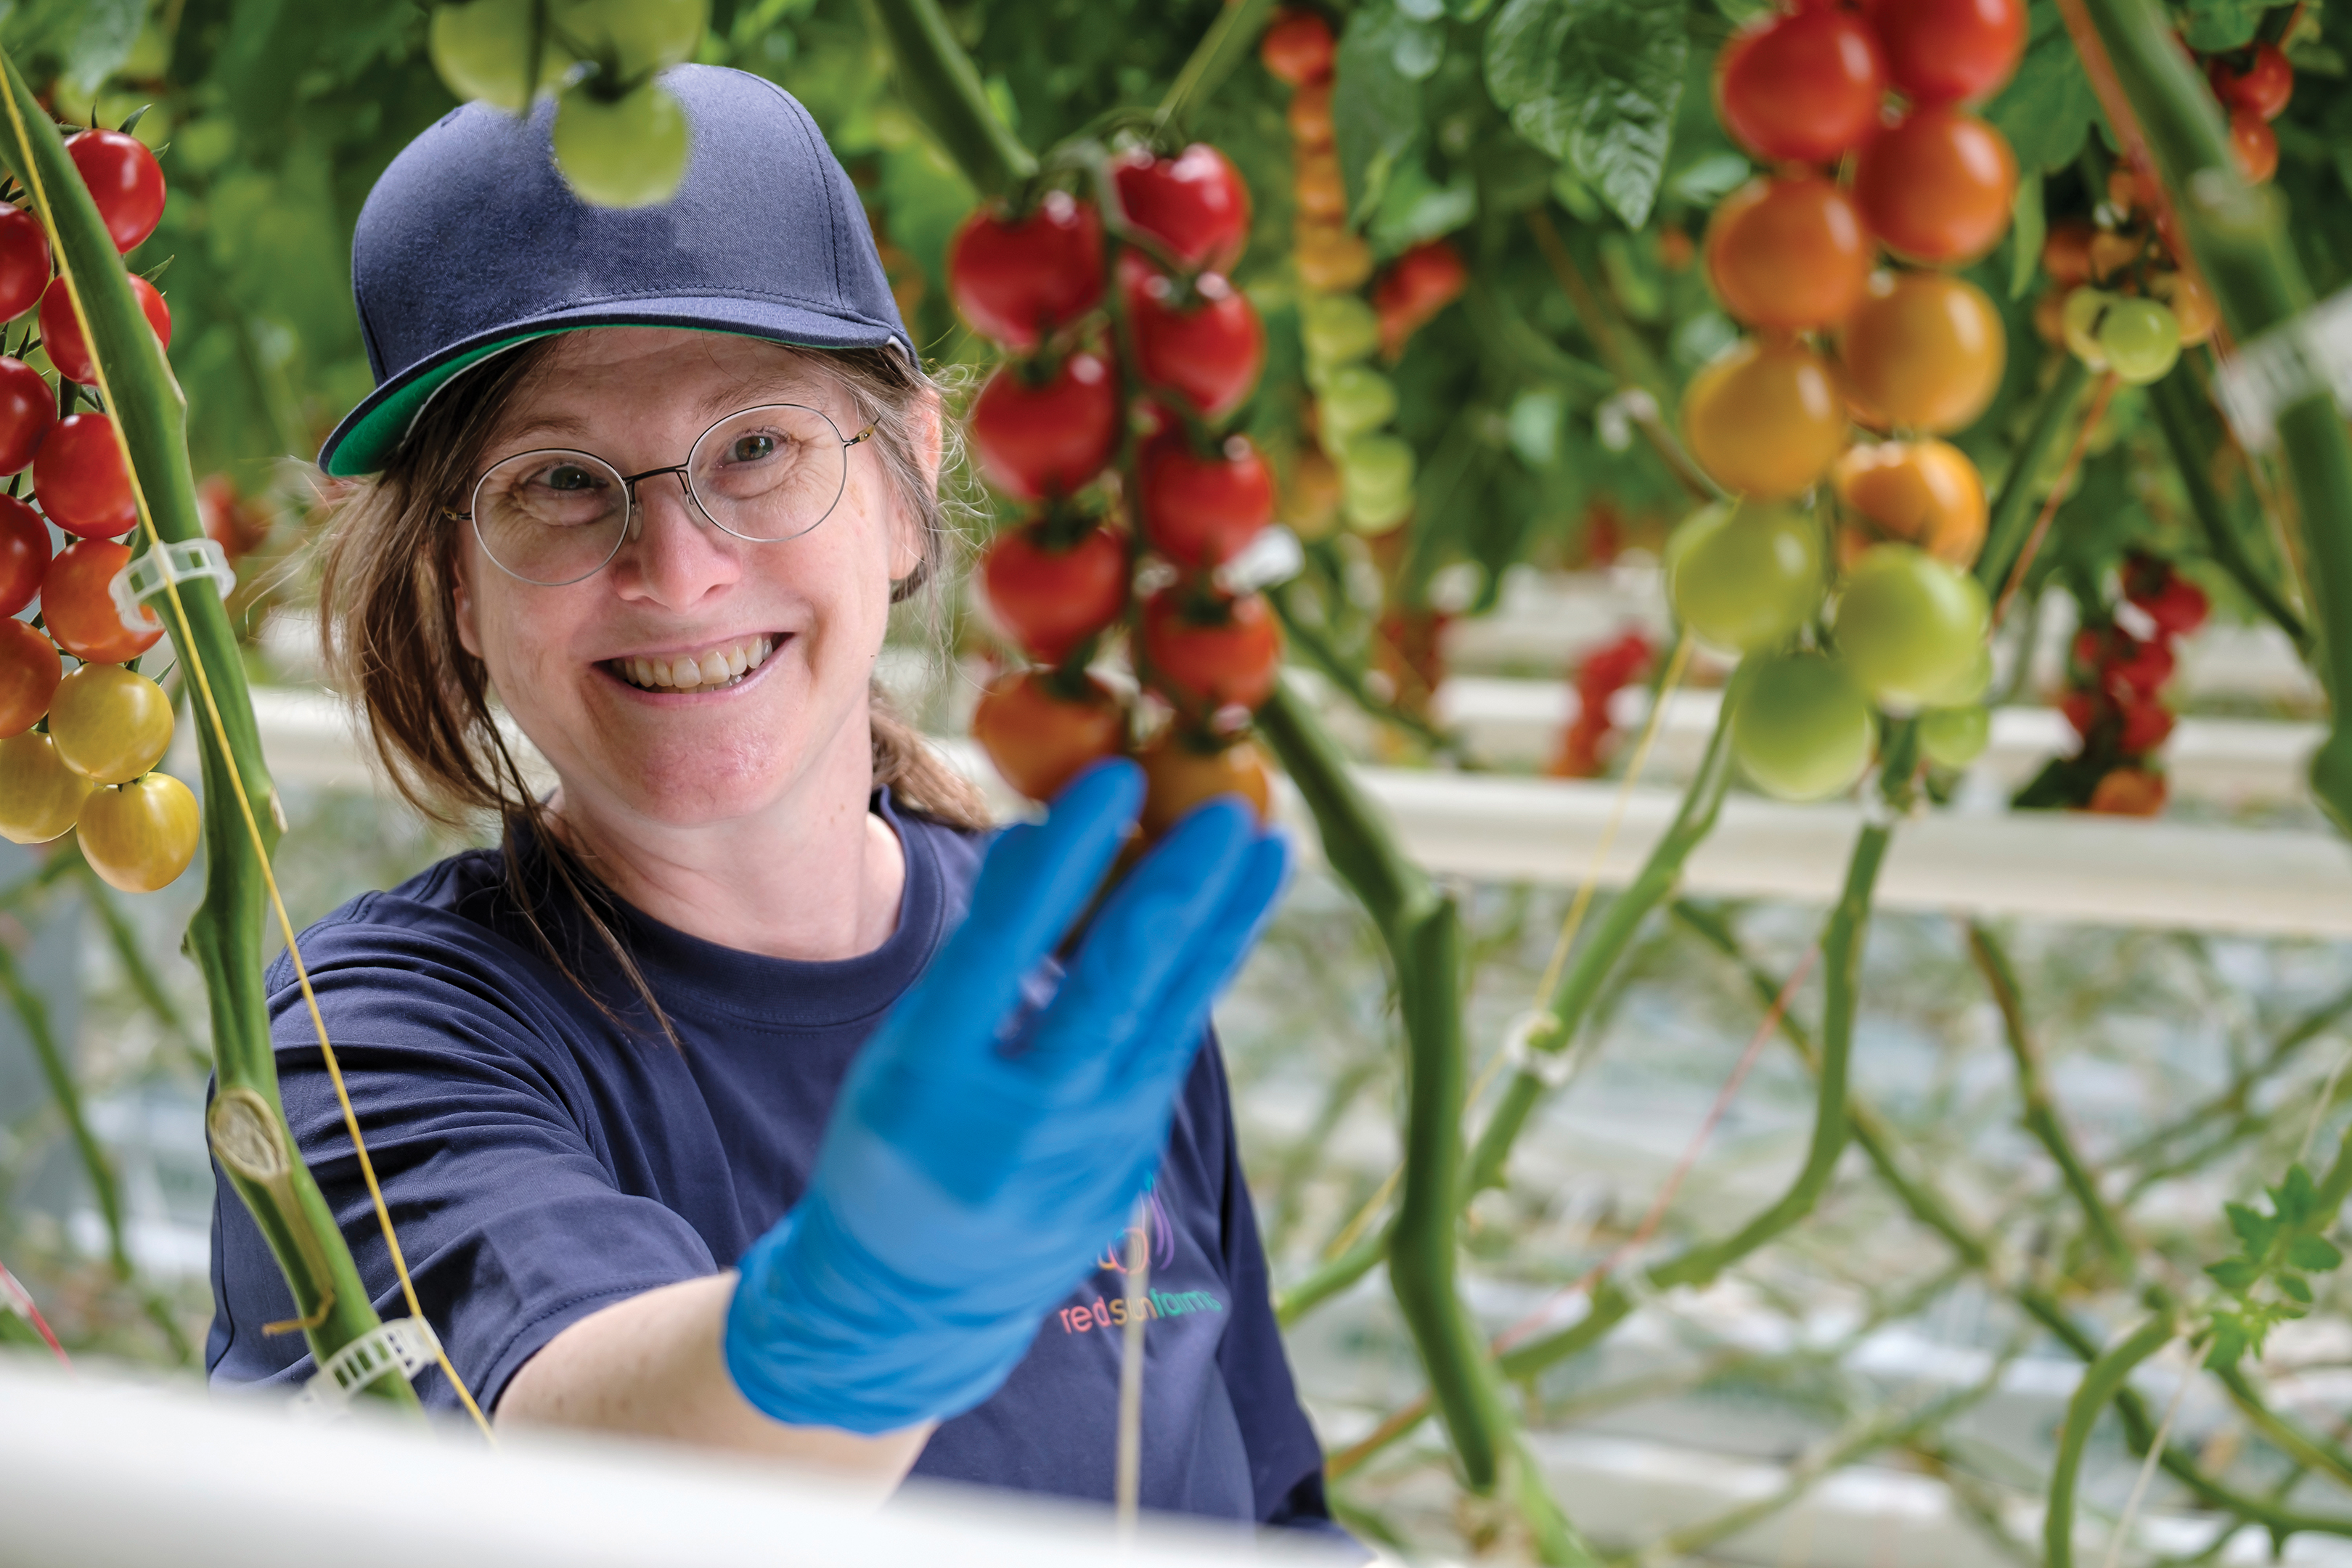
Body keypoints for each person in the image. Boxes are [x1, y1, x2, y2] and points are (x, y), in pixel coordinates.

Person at [205, 65, 1345, 1540]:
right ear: (449, 584)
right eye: (557, 482)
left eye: (756, 448)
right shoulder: (375, 1046)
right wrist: (848, 1337)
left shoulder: (1083, 992)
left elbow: (1271, 1509)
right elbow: (548, 1447)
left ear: (903, 484)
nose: (677, 573)